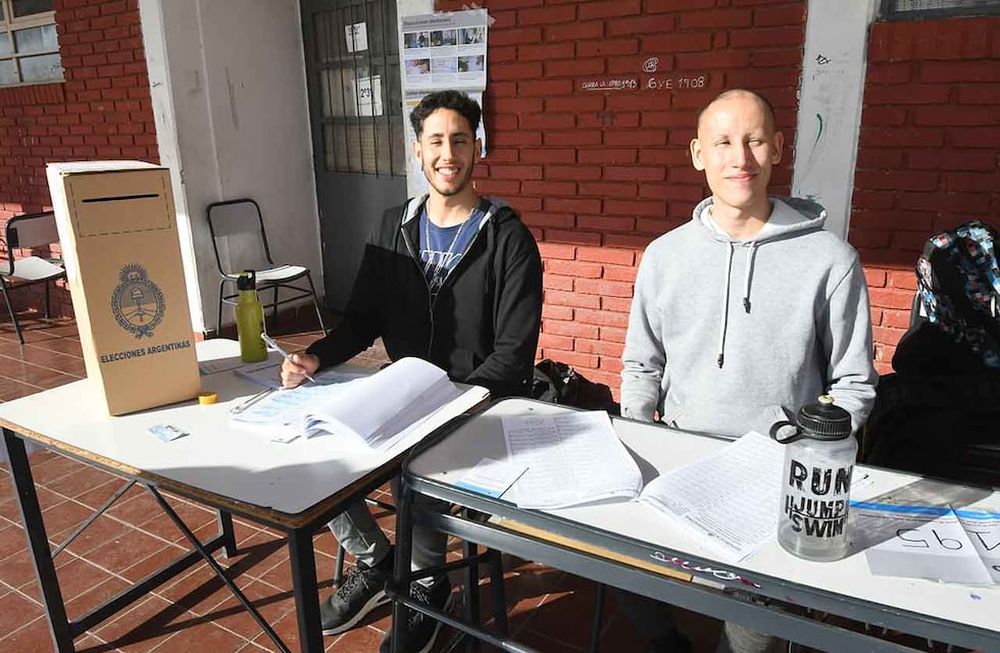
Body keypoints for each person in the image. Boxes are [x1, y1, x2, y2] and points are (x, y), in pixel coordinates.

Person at [281, 90, 543, 653]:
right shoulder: (392, 225)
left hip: (474, 402)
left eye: (459, 140)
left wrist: (451, 402)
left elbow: (513, 355)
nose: (447, 153)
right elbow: (362, 319)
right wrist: (317, 356)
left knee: (414, 469)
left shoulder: (507, 239)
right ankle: (377, 561)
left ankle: (429, 588)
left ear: (477, 149)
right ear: (417, 152)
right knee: (316, 441)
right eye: (435, 142)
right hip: (404, 395)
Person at [620, 89, 877, 652]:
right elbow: (643, 363)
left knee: (752, 627)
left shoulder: (830, 260)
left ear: (778, 148)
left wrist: (808, 450)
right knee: (617, 566)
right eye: (724, 142)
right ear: (697, 154)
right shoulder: (664, 256)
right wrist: (639, 441)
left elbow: (854, 385)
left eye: (755, 140)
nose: (741, 157)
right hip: (677, 460)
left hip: (775, 473)